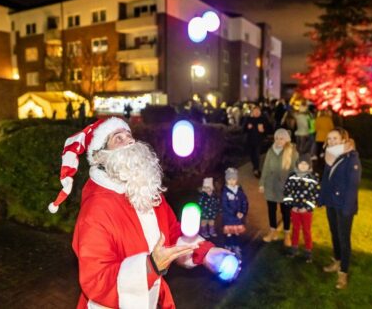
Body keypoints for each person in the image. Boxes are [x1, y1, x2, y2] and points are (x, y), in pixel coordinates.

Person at [47, 117, 234, 308]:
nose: (128, 141)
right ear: (99, 157)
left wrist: (207, 254)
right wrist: (150, 266)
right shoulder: (95, 211)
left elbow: (172, 233)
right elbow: (97, 280)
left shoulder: (145, 191)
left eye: (129, 136)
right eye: (117, 138)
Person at [319, 127, 361, 290]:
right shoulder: (330, 155)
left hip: (344, 205)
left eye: (335, 138)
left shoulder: (351, 157)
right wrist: (322, 198)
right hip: (331, 202)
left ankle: (343, 272)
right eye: (329, 139)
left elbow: (353, 185)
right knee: (334, 233)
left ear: (343, 139)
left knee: (344, 238)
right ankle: (337, 261)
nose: (331, 141)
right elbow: (326, 180)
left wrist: (347, 208)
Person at [259, 129, 298, 245]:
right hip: (271, 185)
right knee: (271, 210)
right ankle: (272, 231)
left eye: (281, 138)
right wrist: (262, 183)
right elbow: (265, 168)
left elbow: (295, 171)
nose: (279, 141)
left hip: (285, 187)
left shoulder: (292, 152)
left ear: (286, 139)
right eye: (277, 138)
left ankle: (286, 234)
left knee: (286, 211)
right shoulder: (271, 151)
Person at [283, 155, 320, 263]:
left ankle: (308, 251)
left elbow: (315, 196)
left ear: (309, 166)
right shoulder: (292, 177)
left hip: (306, 211)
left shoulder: (313, 179)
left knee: (306, 230)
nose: (303, 166)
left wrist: (307, 207)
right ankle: (294, 248)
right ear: (297, 165)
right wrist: (291, 205)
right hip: (294, 210)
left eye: (305, 164)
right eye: (301, 163)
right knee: (295, 229)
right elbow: (287, 191)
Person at [221, 167, 248, 259]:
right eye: (229, 179)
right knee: (229, 234)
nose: (232, 181)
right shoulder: (225, 192)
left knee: (236, 233)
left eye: (234, 179)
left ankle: (236, 247)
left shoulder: (239, 190)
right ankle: (228, 247)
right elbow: (225, 205)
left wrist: (243, 212)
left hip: (237, 219)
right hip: (229, 218)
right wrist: (235, 212)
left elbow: (244, 201)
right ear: (226, 180)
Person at [242, 105, 267, 178]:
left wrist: (263, 130)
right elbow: (243, 130)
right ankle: (255, 166)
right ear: (252, 112)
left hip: (258, 141)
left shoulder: (263, 119)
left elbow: (269, 129)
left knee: (256, 154)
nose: (257, 113)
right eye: (255, 111)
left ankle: (256, 169)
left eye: (258, 111)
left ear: (260, 112)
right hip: (250, 141)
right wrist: (247, 127)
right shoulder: (249, 119)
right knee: (252, 155)